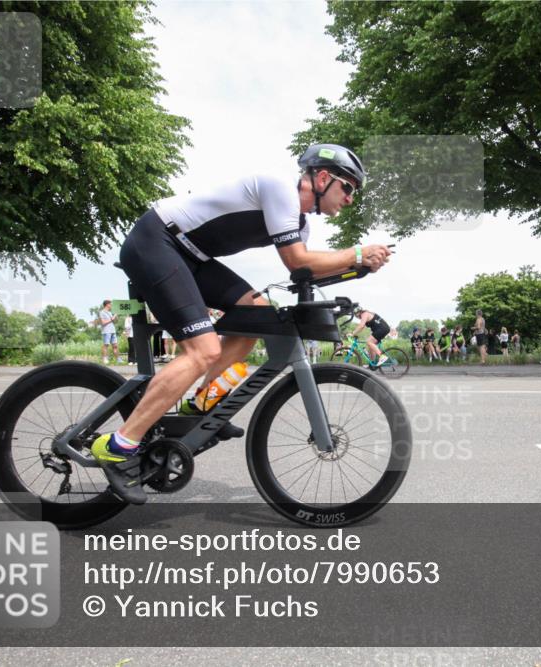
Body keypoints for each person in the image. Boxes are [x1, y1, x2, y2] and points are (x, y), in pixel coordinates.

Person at [90, 143, 390, 503]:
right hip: (158, 241)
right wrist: (357, 252)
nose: (350, 199)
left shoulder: (301, 222)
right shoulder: (281, 188)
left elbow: (305, 272)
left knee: (257, 316)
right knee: (204, 351)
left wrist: (357, 269)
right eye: (348, 188)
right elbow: (297, 261)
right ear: (323, 178)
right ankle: (118, 445)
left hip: (192, 257)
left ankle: (199, 406)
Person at [97, 300, 120, 364]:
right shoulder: (102, 312)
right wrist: (112, 319)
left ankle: (118, 359)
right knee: (106, 345)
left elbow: (115, 321)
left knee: (115, 345)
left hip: (113, 330)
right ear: (107, 304)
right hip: (106, 331)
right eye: (111, 304)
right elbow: (103, 323)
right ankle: (105, 359)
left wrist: (116, 316)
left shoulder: (110, 312)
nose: (111, 305)